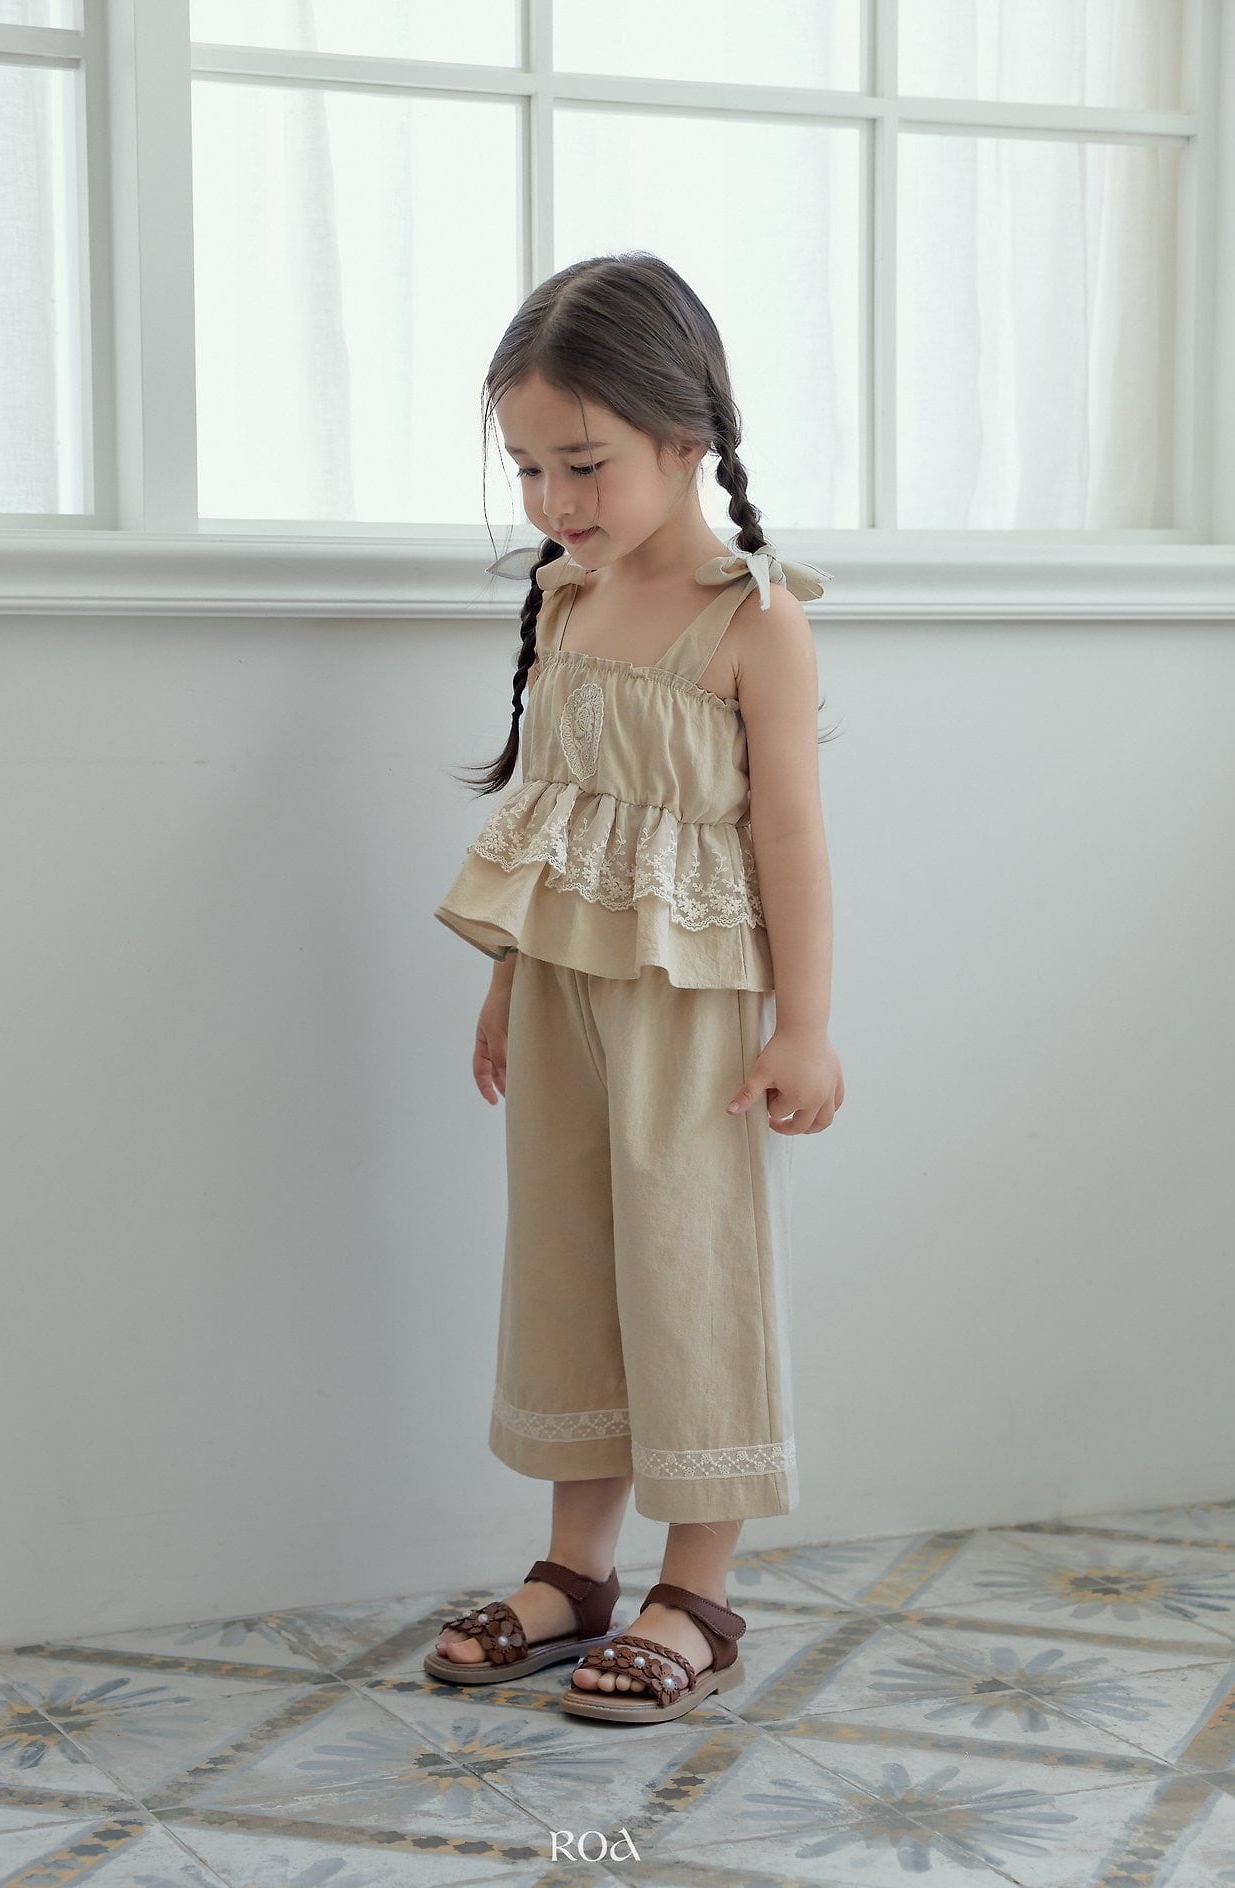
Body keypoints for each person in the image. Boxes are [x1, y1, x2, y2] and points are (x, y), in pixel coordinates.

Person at [426, 250, 846, 1724]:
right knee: (571, 1256)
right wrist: (507, 978)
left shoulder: (753, 620)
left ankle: (698, 1591)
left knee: (688, 1265)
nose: (556, 499)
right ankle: (576, 1569)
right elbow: (552, 818)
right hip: (563, 992)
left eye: (584, 463)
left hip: (696, 1005)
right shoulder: (567, 599)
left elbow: (790, 831)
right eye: (530, 468)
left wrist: (806, 1025)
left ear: (686, 435)